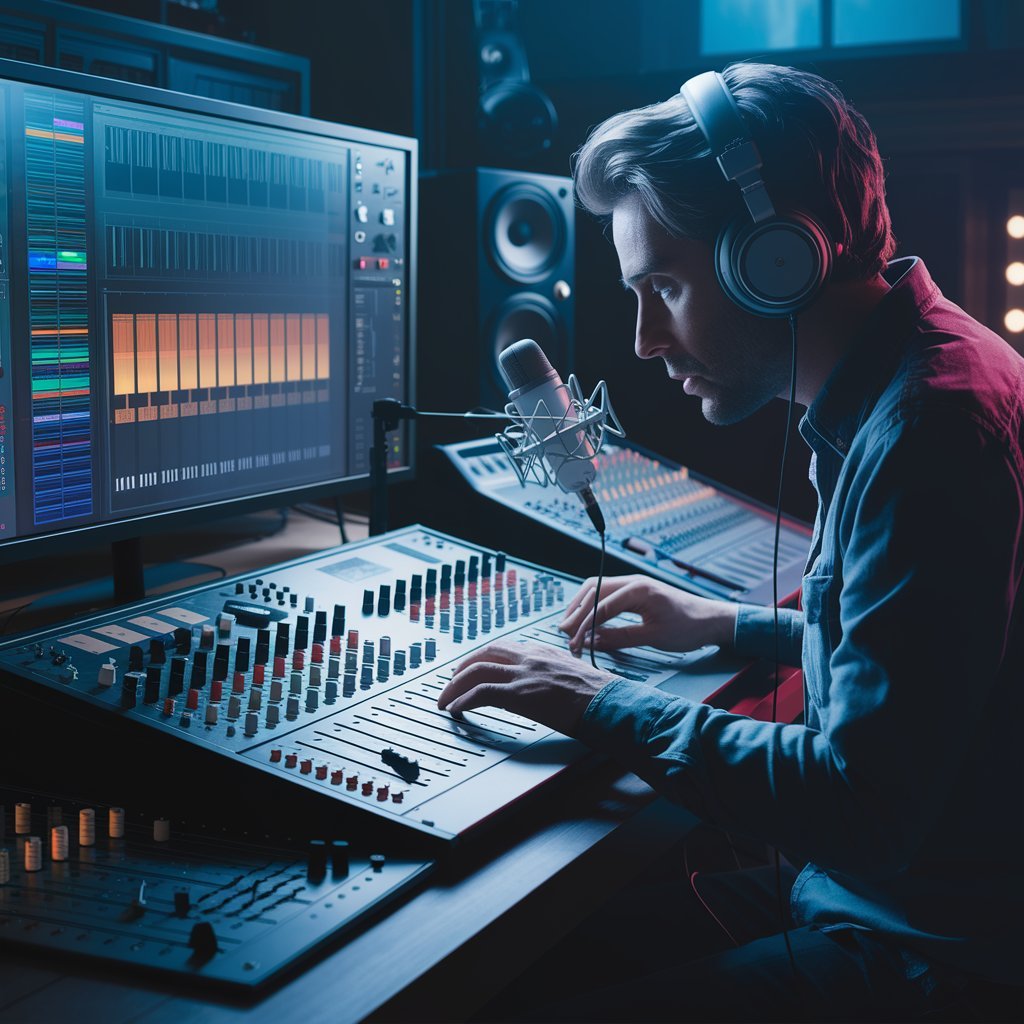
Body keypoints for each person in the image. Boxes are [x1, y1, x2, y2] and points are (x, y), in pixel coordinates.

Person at [438, 63, 1024, 1022]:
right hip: (881, 897)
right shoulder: (919, 372)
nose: (643, 339)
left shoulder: (928, 435)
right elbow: (922, 657)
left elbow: (863, 806)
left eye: (663, 286)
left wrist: (598, 700)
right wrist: (724, 623)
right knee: (513, 964)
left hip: (924, 949)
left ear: (776, 258)